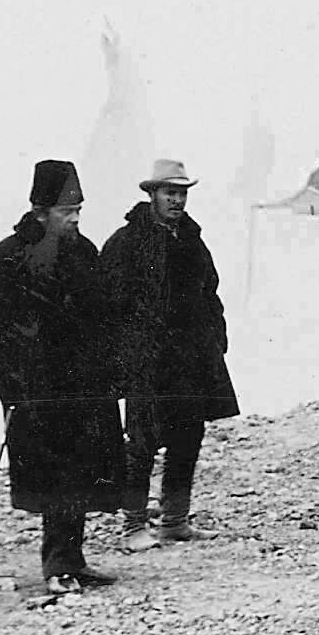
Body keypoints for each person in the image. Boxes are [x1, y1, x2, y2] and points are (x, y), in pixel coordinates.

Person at [0, 160, 127, 599]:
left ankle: (74, 561)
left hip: (84, 387)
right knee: (54, 478)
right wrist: (11, 391)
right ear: (40, 212)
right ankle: (56, 565)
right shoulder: (7, 256)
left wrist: (111, 369)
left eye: (79, 210)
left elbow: (103, 317)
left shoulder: (84, 252)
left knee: (83, 474)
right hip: (37, 391)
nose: (75, 219)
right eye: (66, 212)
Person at [100, 158, 242, 544]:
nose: (177, 200)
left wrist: (216, 340)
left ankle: (175, 521)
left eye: (182, 193)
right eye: (169, 193)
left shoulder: (192, 240)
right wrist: (125, 358)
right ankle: (133, 526)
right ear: (152, 195)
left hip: (191, 360)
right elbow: (108, 307)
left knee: (187, 439)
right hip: (147, 362)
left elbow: (210, 293)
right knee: (142, 443)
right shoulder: (126, 242)